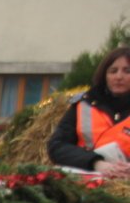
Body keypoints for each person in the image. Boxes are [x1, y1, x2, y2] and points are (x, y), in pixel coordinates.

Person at [48, 46, 130, 178]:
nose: (119, 77)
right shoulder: (83, 105)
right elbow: (57, 147)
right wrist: (96, 163)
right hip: (85, 180)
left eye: (127, 71)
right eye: (113, 71)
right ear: (104, 76)